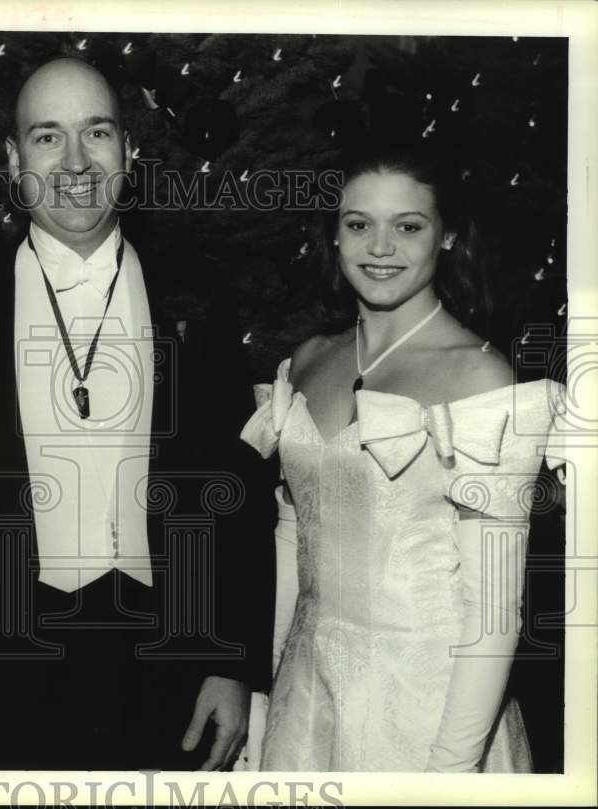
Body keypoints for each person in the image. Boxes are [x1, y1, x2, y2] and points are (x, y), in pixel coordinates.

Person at [0, 57, 271, 770]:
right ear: (12, 158)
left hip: (166, 671)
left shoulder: (196, 295)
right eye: (48, 137)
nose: (78, 161)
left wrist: (230, 660)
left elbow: (236, 492)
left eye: (98, 132)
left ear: (132, 151)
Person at [240, 143, 566, 772]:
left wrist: (450, 770)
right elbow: (292, 537)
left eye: (408, 226)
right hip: (305, 700)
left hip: (428, 712)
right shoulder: (308, 359)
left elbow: (495, 609)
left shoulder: (480, 378)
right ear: (334, 237)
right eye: (359, 224)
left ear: (446, 238)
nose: (380, 248)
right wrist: (277, 682)